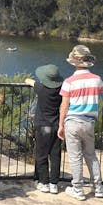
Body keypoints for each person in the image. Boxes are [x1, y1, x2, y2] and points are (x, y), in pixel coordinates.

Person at [57, 45, 103, 201]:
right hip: (89, 122)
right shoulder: (97, 80)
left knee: (75, 157)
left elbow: (64, 105)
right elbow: (101, 92)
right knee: (91, 155)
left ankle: (78, 189)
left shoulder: (69, 81)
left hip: (73, 121)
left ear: (74, 62)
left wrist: (61, 125)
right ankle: (98, 188)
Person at [24, 64, 64, 194]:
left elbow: (28, 81)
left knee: (41, 155)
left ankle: (44, 182)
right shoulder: (61, 90)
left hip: (43, 125)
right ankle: (54, 183)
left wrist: (31, 80)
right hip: (57, 125)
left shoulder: (41, 88)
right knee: (55, 155)